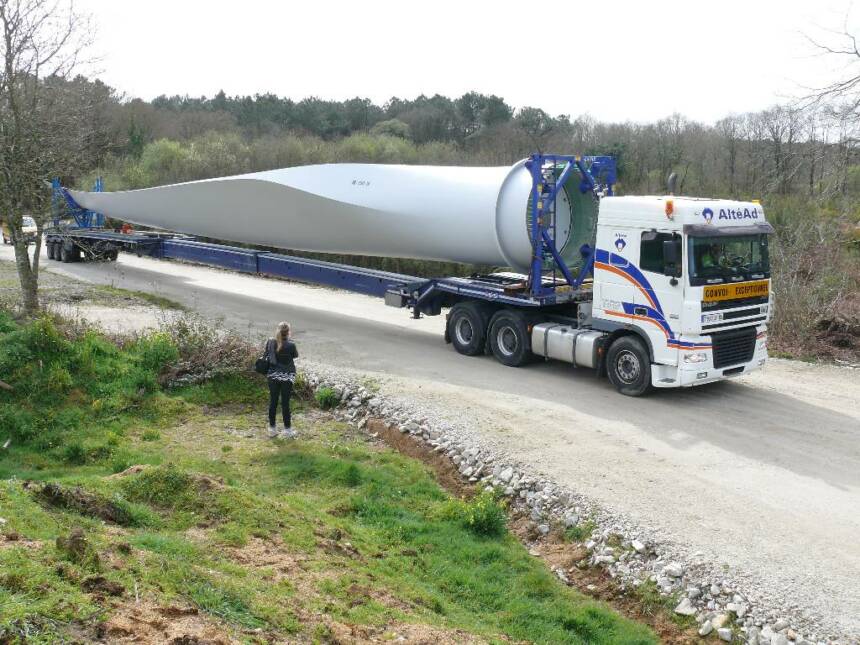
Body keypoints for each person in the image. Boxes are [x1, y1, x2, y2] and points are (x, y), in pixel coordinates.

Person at [264, 321, 298, 439]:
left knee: (273, 401)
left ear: (278, 330)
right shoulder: (291, 345)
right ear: (288, 332)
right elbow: (295, 356)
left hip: (273, 375)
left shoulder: (271, 342)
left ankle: (272, 429)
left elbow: (267, 355)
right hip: (287, 376)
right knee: (285, 403)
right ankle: (287, 430)